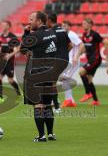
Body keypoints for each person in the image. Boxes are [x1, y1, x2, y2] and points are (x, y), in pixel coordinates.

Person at [21, 11, 69, 142]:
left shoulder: (35, 35)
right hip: (49, 72)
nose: (29, 22)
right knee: (47, 105)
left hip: (36, 74)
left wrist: (26, 33)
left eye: (31, 19)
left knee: (37, 105)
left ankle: (41, 136)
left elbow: (22, 49)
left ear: (40, 21)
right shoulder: (52, 33)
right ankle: (51, 134)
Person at [74, 18, 103, 106]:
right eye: (82, 23)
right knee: (89, 79)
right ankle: (96, 100)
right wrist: (77, 55)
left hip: (96, 59)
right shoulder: (84, 35)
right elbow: (84, 47)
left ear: (90, 25)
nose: (83, 25)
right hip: (90, 59)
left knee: (81, 72)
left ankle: (88, 93)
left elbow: (104, 41)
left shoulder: (95, 34)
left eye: (85, 23)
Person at [47, 13, 72, 113]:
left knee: (51, 83)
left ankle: (56, 107)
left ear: (49, 20)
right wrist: (64, 54)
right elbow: (70, 45)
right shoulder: (62, 30)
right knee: (51, 82)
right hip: (64, 60)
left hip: (56, 60)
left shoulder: (51, 32)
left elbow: (49, 48)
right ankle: (54, 103)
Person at [0, 21, 21, 104]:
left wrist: (10, 55)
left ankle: (19, 94)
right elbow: (1, 46)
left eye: (4, 25)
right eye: (2, 25)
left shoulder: (12, 37)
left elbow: (17, 49)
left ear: (9, 26)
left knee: (10, 80)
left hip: (10, 61)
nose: (3, 27)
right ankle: (0, 97)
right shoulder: (1, 36)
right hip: (2, 60)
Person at [60, 20, 85, 108]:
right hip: (69, 60)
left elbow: (82, 45)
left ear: (69, 27)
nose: (63, 27)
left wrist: (76, 56)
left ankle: (68, 100)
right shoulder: (66, 35)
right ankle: (71, 101)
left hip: (72, 61)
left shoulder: (72, 35)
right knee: (65, 79)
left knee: (64, 78)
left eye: (65, 26)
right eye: (62, 26)